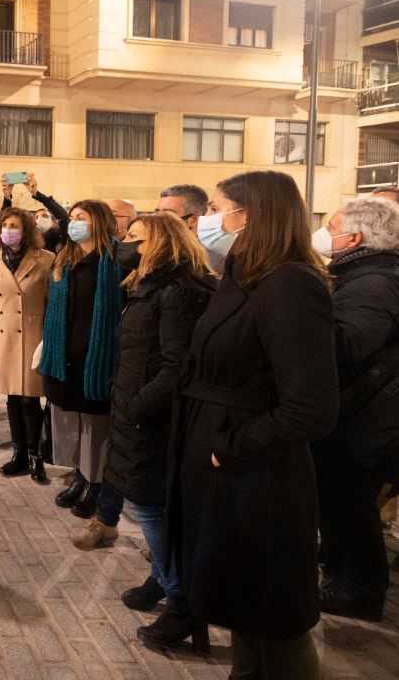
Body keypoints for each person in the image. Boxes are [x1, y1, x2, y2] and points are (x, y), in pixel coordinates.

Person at [164, 171, 338, 674]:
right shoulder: (245, 275)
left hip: (255, 477)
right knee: (242, 607)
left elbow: (310, 406)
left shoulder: (290, 285)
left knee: (272, 616)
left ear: (251, 215)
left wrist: (231, 448)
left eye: (218, 208)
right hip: (223, 468)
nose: (208, 220)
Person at [70, 216, 214, 627]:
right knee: (149, 500)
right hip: (136, 408)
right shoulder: (148, 285)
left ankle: (180, 597)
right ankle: (166, 582)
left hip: (152, 416)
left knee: (150, 506)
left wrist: (136, 404)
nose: (125, 243)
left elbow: (176, 365)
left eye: (135, 237)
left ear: (162, 244)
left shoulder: (177, 291)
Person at [311, 197, 399, 622]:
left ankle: (359, 591)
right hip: (363, 409)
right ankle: (343, 577)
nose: (324, 234)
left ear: (356, 237)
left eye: (330, 226)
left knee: (350, 502)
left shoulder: (373, 281)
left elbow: (349, 344)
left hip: (368, 414)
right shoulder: (363, 273)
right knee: (342, 501)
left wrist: (306, 321)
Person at [38, 200, 125, 518]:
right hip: (65, 357)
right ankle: (79, 476)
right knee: (71, 423)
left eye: (81, 218)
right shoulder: (65, 259)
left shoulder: (116, 259)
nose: (73, 223)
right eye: (72, 218)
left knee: (96, 427)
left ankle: (96, 484)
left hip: (96, 359)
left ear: (98, 222)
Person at [0, 207, 55, 482]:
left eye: (15, 225)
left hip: (33, 337)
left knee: (29, 399)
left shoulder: (46, 259)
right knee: (11, 398)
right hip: (3, 339)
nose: (9, 230)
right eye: (5, 225)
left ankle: (36, 457)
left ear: (26, 230)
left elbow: (53, 304)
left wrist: (51, 340)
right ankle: (19, 454)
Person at [2, 172, 69, 253]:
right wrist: (7, 198)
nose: (40, 219)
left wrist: (36, 193)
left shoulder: (62, 239)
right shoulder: (27, 242)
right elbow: (4, 221)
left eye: (45, 216)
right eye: (36, 217)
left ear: (54, 222)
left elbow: (64, 217)